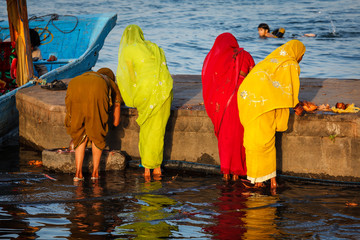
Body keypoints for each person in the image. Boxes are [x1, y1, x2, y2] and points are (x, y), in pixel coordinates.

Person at [237, 39, 306, 189]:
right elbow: (289, 89)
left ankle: (258, 180)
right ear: (297, 53)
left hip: (247, 101)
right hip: (262, 104)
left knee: (253, 142)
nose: (301, 59)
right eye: (301, 55)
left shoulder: (270, 60)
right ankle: (267, 182)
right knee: (265, 144)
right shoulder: (290, 63)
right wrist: (297, 106)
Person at [116, 25, 173, 180]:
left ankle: (148, 169)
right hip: (164, 90)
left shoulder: (128, 51)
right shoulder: (154, 47)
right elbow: (163, 68)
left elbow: (130, 78)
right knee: (158, 131)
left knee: (147, 130)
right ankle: (157, 168)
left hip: (145, 92)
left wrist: (133, 94)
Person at [202, 33, 255, 181]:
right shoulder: (244, 55)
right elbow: (254, 78)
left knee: (225, 140)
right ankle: (238, 175)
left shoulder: (212, 58)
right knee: (238, 139)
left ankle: (226, 175)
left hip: (221, 107)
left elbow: (208, 82)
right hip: (240, 103)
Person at [65, 68, 122, 181]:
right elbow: (116, 121)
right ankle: (95, 173)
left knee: (79, 134)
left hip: (74, 84)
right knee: (97, 133)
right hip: (98, 87)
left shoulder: (86, 75)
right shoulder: (111, 83)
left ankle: (78, 174)